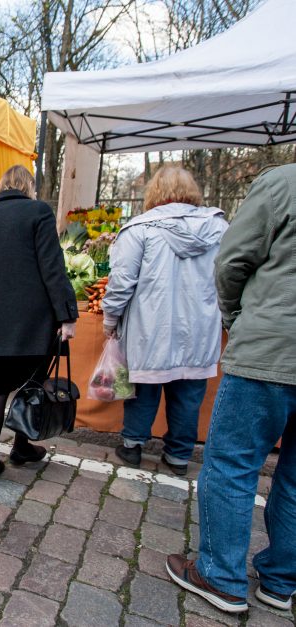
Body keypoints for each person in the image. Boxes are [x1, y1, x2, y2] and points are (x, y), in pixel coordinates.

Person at [166, 164, 296, 614]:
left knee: (233, 465)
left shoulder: (283, 183)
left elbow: (233, 261)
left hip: (272, 346)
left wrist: (236, 318)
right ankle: (280, 581)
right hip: (266, 341)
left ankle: (220, 575)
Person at [102, 166, 227, 476]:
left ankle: (132, 445)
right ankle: (179, 456)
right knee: (189, 392)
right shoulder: (220, 230)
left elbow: (121, 282)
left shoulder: (139, 229)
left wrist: (110, 319)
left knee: (143, 387)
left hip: (150, 326)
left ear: (154, 192)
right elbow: (230, 279)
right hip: (199, 328)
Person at [0, 166, 78, 484]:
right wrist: (67, 315)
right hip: (31, 324)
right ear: (28, 187)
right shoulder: (38, 212)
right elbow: (53, 267)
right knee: (31, 387)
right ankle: (21, 448)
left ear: (0, 188)